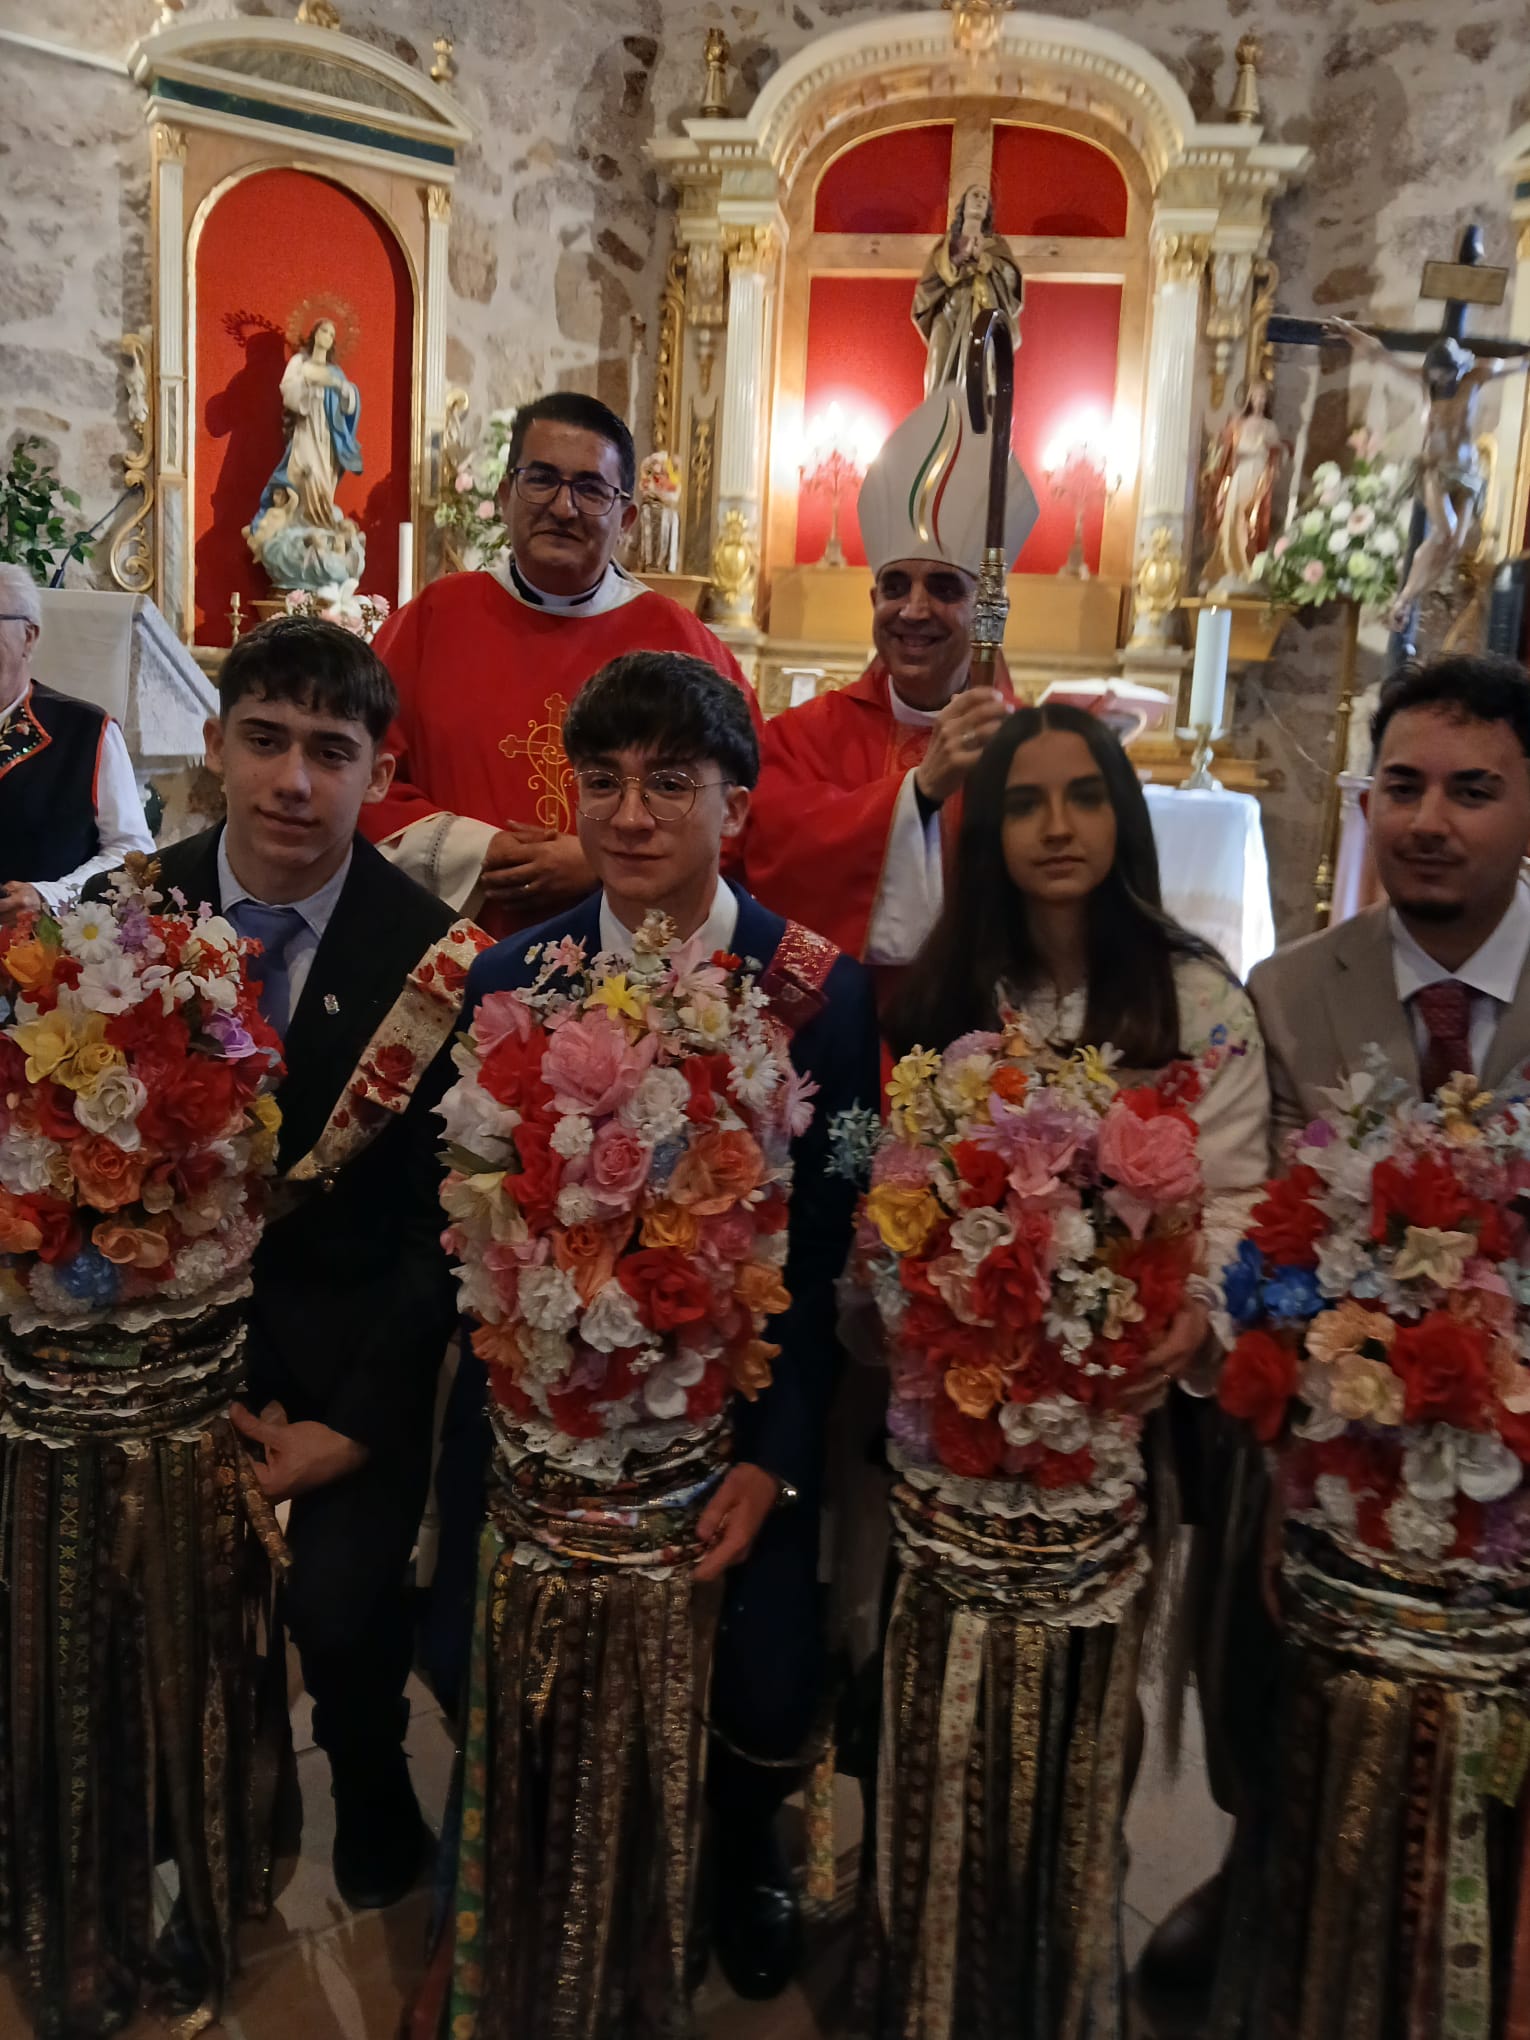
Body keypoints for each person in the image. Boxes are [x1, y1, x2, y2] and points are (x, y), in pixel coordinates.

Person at [433, 652, 880, 2032]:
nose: (631, 816)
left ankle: (742, 1849)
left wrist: (780, 1459)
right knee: (473, 1642)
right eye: (605, 784)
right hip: (548, 1423)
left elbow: (827, 1249)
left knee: (758, 1670)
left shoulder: (819, 991)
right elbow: (460, 1214)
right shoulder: (516, 973)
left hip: (731, 1422)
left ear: (733, 806)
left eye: (669, 784)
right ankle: (525, 1854)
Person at [853, 703, 1268, 2039]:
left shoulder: (1193, 993)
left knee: (1083, 1722)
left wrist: (1189, 1315)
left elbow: (1241, 1197)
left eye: (1079, 798)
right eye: (1023, 803)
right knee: (938, 1708)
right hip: (950, 1426)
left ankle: (1057, 1960)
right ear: (987, 834)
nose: (1051, 828)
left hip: (1105, 1432)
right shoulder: (943, 995)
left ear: (1119, 816)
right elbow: (892, 1187)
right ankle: (919, 1954)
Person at [1200, 653, 1530, 2034]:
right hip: (1333, 1470)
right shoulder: (1289, 994)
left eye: (1471, 790)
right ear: (1363, 801)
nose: (1428, 821)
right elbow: (1259, 1249)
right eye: (1400, 786)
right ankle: (1260, 1899)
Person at [154, 615, 485, 1913]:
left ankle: (366, 1776)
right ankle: (198, 1830)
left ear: (377, 769)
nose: (295, 781)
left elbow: (440, 1228)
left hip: (361, 1346)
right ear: (215, 743)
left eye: (331, 751)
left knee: (344, 1618)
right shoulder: (138, 915)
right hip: (179, 1348)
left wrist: (352, 1430)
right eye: (266, 740)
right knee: (174, 1614)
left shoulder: (435, 957)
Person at [361, 391, 761, 935]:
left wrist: (602, 858)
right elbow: (357, 779)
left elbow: (743, 809)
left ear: (626, 518)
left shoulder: (682, 641)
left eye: (591, 489)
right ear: (506, 495)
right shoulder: (431, 620)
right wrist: (482, 851)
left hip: (632, 965)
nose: (563, 507)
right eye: (541, 479)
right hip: (446, 945)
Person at [742, 383, 1036, 988]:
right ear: (873, 599)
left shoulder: (1032, 748)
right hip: (835, 1033)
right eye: (897, 586)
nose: (915, 610)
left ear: (988, 610)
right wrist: (921, 793)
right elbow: (768, 856)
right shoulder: (801, 738)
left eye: (946, 588)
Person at [1329, 318, 1530, 632]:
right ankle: (1402, 599)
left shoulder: (1476, 376)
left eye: (1446, 376)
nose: (1441, 381)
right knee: (1445, 532)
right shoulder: (1423, 381)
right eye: (1437, 376)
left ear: (1458, 369)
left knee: (1453, 545)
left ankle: (1405, 602)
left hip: (1467, 472)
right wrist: (1350, 333)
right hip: (1434, 468)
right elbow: (1381, 355)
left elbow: (1517, 365)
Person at [0, 561, 154, 920]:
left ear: (29, 636)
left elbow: (132, 855)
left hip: (40, 960)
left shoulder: (86, 730)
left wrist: (50, 896)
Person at [911, 183, 1022, 396]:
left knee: (979, 374)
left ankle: (976, 422)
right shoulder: (947, 245)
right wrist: (955, 258)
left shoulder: (996, 245)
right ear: (964, 204)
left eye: (984, 198)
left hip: (982, 314)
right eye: (975, 195)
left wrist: (986, 261)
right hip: (947, 314)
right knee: (938, 371)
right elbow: (926, 286)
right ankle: (938, 423)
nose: (980, 200)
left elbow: (1011, 280)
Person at [1203, 380, 1283, 592]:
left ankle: (1248, 564)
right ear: (1249, 398)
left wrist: (1267, 458)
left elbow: (1275, 453)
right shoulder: (1240, 423)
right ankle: (1232, 565)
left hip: (1259, 475)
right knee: (1233, 514)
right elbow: (1230, 449)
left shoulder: (1270, 426)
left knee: (1251, 519)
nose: (1259, 400)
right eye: (1255, 396)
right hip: (1242, 473)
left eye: (1263, 397)